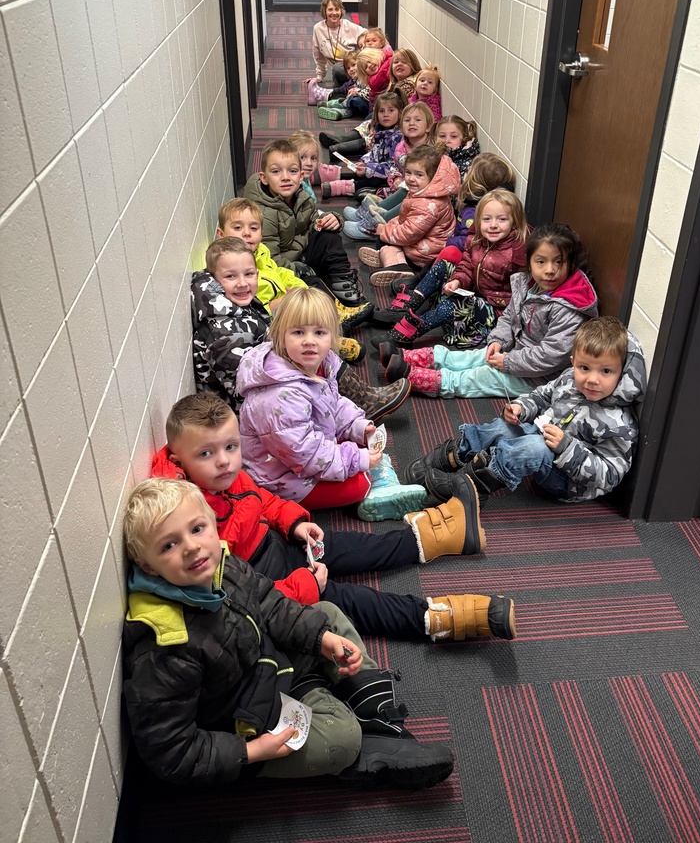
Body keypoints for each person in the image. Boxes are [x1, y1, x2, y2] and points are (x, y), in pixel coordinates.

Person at [121, 476, 455, 788]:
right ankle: (359, 748)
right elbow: (170, 751)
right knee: (342, 738)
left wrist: (321, 640)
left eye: (197, 528)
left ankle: (374, 715)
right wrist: (250, 752)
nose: (192, 547)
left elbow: (269, 603)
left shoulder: (222, 562)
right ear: (147, 565)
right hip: (246, 717)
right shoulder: (164, 646)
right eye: (169, 546)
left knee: (326, 615)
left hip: (266, 662)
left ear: (213, 523)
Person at [151, 391, 516, 641]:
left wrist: (294, 522)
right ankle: (437, 619)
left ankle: (442, 535)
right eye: (206, 453)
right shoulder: (186, 521)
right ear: (179, 459)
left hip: (278, 544)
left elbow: (259, 498)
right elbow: (236, 594)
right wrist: (301, 588)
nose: (224, 461)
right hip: (268, 582)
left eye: (231, 447)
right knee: (352, 600)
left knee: (350, 545)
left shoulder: (219, 476)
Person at [406, 316, 647, 511]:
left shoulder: (620, 424)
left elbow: (609, 475)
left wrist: (567, 448)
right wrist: (522, 409)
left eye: (606, 371)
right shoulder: (569, 380)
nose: (592, 379)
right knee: (503, 427)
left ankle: (470, 485)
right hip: (543, 435)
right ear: (573, 362)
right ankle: (456, 454)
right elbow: (542, 395)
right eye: (584, 368)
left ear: (622, 371)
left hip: (569, 482)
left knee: (535, 447)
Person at [236, 288, 422, 513]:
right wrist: (357, 460)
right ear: (280, 335)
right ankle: (376, 491)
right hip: (279, 478)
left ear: (333, 336)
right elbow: (306, 453)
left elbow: (333, 404)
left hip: (304, 450)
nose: (309, 341)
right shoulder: (280, 396)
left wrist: (356, 425)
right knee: (359, 483)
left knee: (366, 442)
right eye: (297, 332)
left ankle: (381, 481)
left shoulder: (320, 364)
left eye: (319, 333)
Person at [192, 236, 410, 422]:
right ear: (216, 280)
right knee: (312, 353)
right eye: (231, 276)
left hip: (268, 375)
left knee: (321, 352)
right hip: (249, 412)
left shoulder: (233, 304)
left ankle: (360, 399)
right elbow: (244, 391)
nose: (242, 283)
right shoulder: (222, 331)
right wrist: (296, 368)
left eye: (249, 274)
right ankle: (342, 410)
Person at [380, 223, 598, 397]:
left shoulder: (569, 307)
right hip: (515, 354)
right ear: (529, 262)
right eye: (541, 262)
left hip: (539, 378)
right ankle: (412, 358)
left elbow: (551, 356)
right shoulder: (529, 284)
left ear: (571, 265)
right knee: (474, 357)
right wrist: (498, 341)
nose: (550, 270)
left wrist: (509, 362)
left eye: (558, 262)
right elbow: (510, 317)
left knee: (479, 377)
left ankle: (422, 380)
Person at [374, 152, 516, 323]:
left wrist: (450, 241)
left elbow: (468, 241)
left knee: (449, 252)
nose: (464, 175)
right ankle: (417, 287)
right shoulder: (476, 206)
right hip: (470, 263)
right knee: (442, 257)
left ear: (478, 183)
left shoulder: (477, 212)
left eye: (468, 172)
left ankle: (417, 301)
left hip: (476, 277)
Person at [387, 188, 529, 350]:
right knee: (442, 266)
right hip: (476, 292)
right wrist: (457, 281)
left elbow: (521, 296)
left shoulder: (517, 253)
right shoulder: (477, 241)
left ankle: (411, 331)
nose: (493, 225)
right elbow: (466, 266)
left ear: (515, 222)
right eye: (487, 219)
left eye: (502, 219)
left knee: (454, 305)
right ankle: (411, 304)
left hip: (496, 310)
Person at [242, 138, 368, 308]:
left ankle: (346, 290)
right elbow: (271, 260)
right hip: (284, 269)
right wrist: (299, 269)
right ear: (264, 178)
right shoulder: (262, 214)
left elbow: (312, 221)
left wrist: (329, 219)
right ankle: (334, 311)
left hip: (301, 255)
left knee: (329, 235)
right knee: (314, 296)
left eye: (292, 171)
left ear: (301, 176)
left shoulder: (302, 195)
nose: (286, 177)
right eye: (276, 172)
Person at [215, 196, 373, 330]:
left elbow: (278, 272)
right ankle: (331, 332)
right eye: (237, 227)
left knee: (308, 284)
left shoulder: (260, 251)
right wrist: (278, 303)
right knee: (302, 308)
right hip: (268, 315)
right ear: (221, 234)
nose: (247, 233)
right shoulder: (226, 265)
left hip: (284, 298)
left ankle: (335, 314)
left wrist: (300, 288)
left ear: (261, 233)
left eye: (253, 228)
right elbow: (245, 302)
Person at [357, 144, 461, 288]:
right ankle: (388, 257)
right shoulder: (425, 193)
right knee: (386, 238)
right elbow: (405, 220)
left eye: (419, 175)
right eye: (408, 172)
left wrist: (385, 230)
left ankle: (399, 266)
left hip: (425, 254)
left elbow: (408, 234)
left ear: (433, 178)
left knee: (385, 239)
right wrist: (389, 227)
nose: (411, 179)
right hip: (423, 242)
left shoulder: (429, 205)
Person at [342, 101, 437, 240]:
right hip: (400, 186)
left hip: (420, 192)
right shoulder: (401, 146)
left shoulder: (431, 150)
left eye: (417, 120)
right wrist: (396, 177)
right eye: (407, 120)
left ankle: (377, 225)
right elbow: (393, 166)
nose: (412, 123)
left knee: (408, 194)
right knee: (404, 190)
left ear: (428, 126)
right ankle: (372, 212)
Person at [322, 92, 404, 199]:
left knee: (374, 180)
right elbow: (374, 153)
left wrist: (368, 168)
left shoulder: (398, 137)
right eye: (381, 111)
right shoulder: (380, 131)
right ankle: (336, 177)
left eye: (391, 110)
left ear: (400, 113)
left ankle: (345, 187)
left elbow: (393, 167)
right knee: (359, 173)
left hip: (393, 177)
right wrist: (364, 162)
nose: (386, 114)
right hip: (378, 169)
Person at [307, 0, 364, 93]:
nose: (334, 13)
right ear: (324, 11)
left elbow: (367, 35)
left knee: (337, 69)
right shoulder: (318, 29)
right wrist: (319, 76)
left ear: (341, 11)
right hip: (339, 72)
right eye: (330, 9)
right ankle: (349, 91)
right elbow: (318, 54)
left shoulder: (348, 26)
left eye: (337, 9)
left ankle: (347, 91)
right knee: (337, 69)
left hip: (355, 68)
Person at [433, 114, 481, 178]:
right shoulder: (432, 155)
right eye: (442, 136)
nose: (447, 140)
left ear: (464, 139)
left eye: (453, 136)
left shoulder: (466, 164)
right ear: (435, 138)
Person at [287, 130, 321, 202]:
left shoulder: (303, 178)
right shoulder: (293, 188)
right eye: (302, 157)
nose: (309, 163)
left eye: (313, 158)